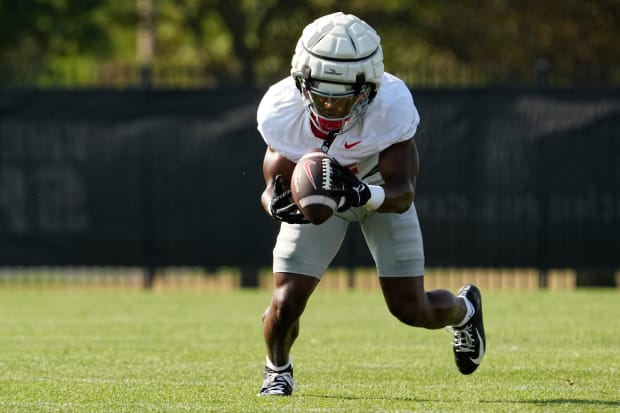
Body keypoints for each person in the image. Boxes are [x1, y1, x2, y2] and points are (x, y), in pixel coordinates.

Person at [256, 12, 486, 396]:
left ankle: (465, 312)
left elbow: (403, 192)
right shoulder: (281, 109)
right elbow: (272, 185)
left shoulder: (391, 105)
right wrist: (274, 203)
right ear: (301, 83)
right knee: (285, 301)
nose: (329, 106)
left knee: (410, 309)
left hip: (377, 191)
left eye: (341, 95)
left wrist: (361, 193)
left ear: (369, 89)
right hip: (320, 194)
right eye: (321, 93)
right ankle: (277, 369)